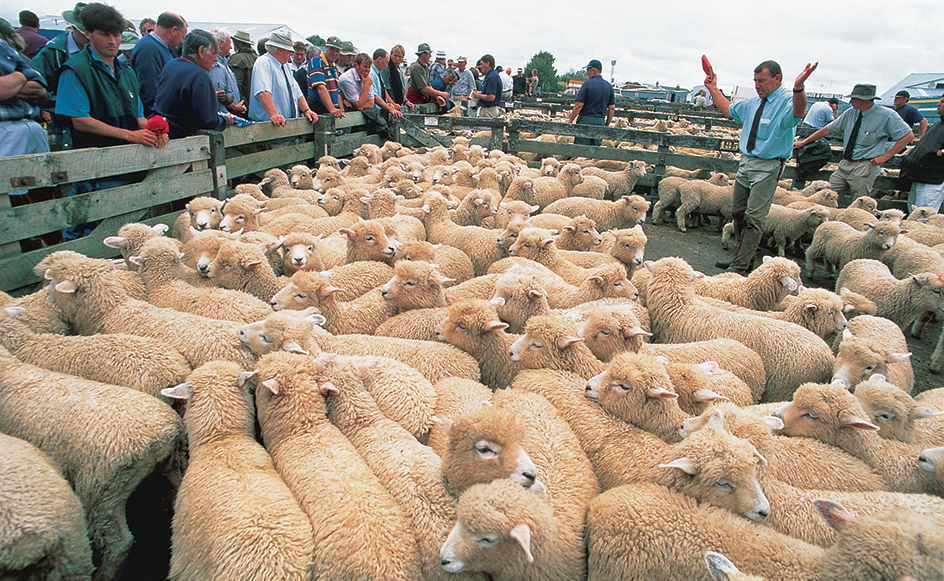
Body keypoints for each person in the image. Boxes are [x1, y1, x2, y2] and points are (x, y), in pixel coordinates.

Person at [55, 2, 167, 239]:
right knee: (88, 230)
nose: (112, 40)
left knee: (125, 230)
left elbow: (136, 117)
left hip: (128, 165)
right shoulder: (75, 70)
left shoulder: (127, 72)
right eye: (104, 34)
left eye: (115, 34)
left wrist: (155, 130)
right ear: (87, 33)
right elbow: (80, 121)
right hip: (93, 169)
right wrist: (131, 136)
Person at [705, 59, 817, 274]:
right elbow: (729, 110)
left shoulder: (786, 100)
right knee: (737, 210)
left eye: (762, 81)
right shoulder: (754, 102)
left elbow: (799, 112)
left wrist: (799, 87)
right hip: (747, 162)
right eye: (755, 81)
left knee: (754, 216)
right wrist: (712, 88)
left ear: (777, 79)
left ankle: (740, 265)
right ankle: (743, 258)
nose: (757, 85)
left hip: (768, 165)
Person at [795, 83, 913, 205]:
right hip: (845, 164)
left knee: (859, 203)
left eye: (854, 98)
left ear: (865, 100)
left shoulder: (887, 115)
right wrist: (804, 142)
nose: (850, 101)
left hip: (865, 165)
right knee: (826, 197)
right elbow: (827, 129)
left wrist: (885, 157)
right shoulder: (850, 113)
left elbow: (908, 135)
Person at [153, 30, 234, 138]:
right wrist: (226, 120)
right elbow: (207, 121)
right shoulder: (199, 76)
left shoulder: (171, 65)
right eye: (214, 53)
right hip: (182, 140)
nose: (215, 59)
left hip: (163, 132)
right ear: (201, 51)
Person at [30, 2, 88, 150]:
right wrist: (61, 104)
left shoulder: (97, 51)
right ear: (75, 28)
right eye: (86, 32)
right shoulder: (52, 52)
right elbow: (33, 85)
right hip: (61, 123)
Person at [248, 31, 318, 126]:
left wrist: (307, 110)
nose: (291, 54)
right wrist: (274, 114)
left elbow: (296, 91)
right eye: (289, 50)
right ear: (280, 50)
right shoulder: (263, 63)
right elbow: (263, 91)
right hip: (268, 127)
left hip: (285, 125)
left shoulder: (285, 66)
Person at [131, 11, 187, 117]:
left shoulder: (160, 47)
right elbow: (149, 91)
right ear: (174, 30)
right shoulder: (148, 49)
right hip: (156, 118)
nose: (182, 42)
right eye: (182, 36)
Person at [900, 95, 944, 211]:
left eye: (942, 102)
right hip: (921, 174)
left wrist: (941, 152)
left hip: (933, 178)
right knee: (915, 211)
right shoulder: (939, 124)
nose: (938, 104)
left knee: (923, 215)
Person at [567, 59, 615, 147]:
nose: (586, 72)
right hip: (600, 121)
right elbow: (612, 108)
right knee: (595, 152)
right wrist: (606, 124)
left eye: (588, 70)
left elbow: (579, 105)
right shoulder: (609, 86)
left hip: (585, 120)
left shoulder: (587, 84)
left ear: (594, 70)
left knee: (581, 150)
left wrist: (570, 120)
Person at [209, 29, 246, 116]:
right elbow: (220, 96)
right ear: (221, 43)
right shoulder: (215, 66)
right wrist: (234, 108)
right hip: (225, 115)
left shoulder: (224, 62)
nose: (231, 47)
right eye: (229, 43)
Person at [306, 35, 343, 118]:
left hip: (330, 112)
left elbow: (337, 92)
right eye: (332, 49)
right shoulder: (316, 61)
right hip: (318, 111)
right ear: (326, 47)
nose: (334, 53)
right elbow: (320, 88)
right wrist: (332, 109)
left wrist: (341, 110)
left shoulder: (333, 66)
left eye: (337, 51)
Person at [407, 43, 450, 108]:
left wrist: (437, 97)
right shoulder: (416, 67)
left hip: (422, 99)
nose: (430, 56)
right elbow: (423, 88)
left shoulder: (426, 67)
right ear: (423, 54)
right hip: (414, 100)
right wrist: (441, 94)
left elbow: (428, 85)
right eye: (428, 54)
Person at [369, 47, 402, 119]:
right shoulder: (371, 74)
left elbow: (383, 90)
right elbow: (374, 96)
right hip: (373, 112)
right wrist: (390, 108)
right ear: (379, 59)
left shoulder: (378, 72)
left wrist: (392, 104)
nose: (386, 65)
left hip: (378, 111)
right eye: (386, 62)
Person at [228, 30, 255, 109]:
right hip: (255, 104)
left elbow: (236, 85)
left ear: (236, 43)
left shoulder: (236, 59)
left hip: (243, 104)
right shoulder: (256, 58)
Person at [381, 43, 412, 111]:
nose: (397, 59)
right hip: (390, 106)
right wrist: (393, 104)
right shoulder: (386, 68)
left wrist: (405, 101)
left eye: (400, 56)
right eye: (395, 55)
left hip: (399, 105)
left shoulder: (400, 69)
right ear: (391, 54)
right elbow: (384, 89)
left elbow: (401, 89)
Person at [471, 53, 501, 118]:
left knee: (484, 128)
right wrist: (481, 93)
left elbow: (491, 97)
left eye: (482, 64)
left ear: (487, 63)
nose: (480, 66)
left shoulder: (492, 77)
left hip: (489, 111)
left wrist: (478, 95)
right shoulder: (492, 75)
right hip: (489, 109)